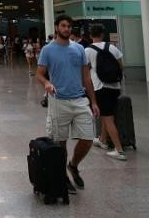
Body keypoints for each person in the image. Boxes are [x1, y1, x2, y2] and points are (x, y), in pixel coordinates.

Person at [35, 15, 99, 195]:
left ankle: (73, 165)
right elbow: (39, 74)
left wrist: (93, 101)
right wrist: (46, 83)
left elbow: (86, 77)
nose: (67, 29)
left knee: (87, 138)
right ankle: (62, 175)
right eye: (63, 26)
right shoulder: (48, 50)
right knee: (59, 142)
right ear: (57, 28)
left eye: (69, 26)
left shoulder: (79, 49)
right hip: (58, 101)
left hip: (79, 99)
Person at [84, 24, 126, 161]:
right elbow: (121, 66)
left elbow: (84, 71)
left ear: (90, 35)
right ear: (102, 34)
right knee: (106, 114)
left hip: (100, 87)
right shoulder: (112, 47)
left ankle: (119, 150)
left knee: (108, 118)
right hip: (115, 86)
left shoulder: (88, 51)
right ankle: (102, 140)